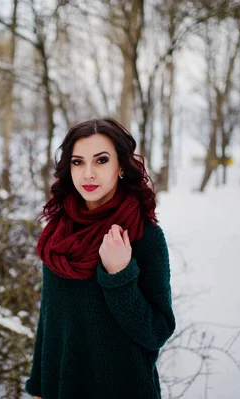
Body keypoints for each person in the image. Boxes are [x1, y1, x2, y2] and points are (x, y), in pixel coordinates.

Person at [25, 117, 175, 399]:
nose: (88, 174)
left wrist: (120, 277)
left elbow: (156, 333)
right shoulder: (58, 234)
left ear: (121, 166)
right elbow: (50, 321)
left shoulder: (144, 236)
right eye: (78, 162)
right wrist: (38, 388)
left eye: (101, 160)